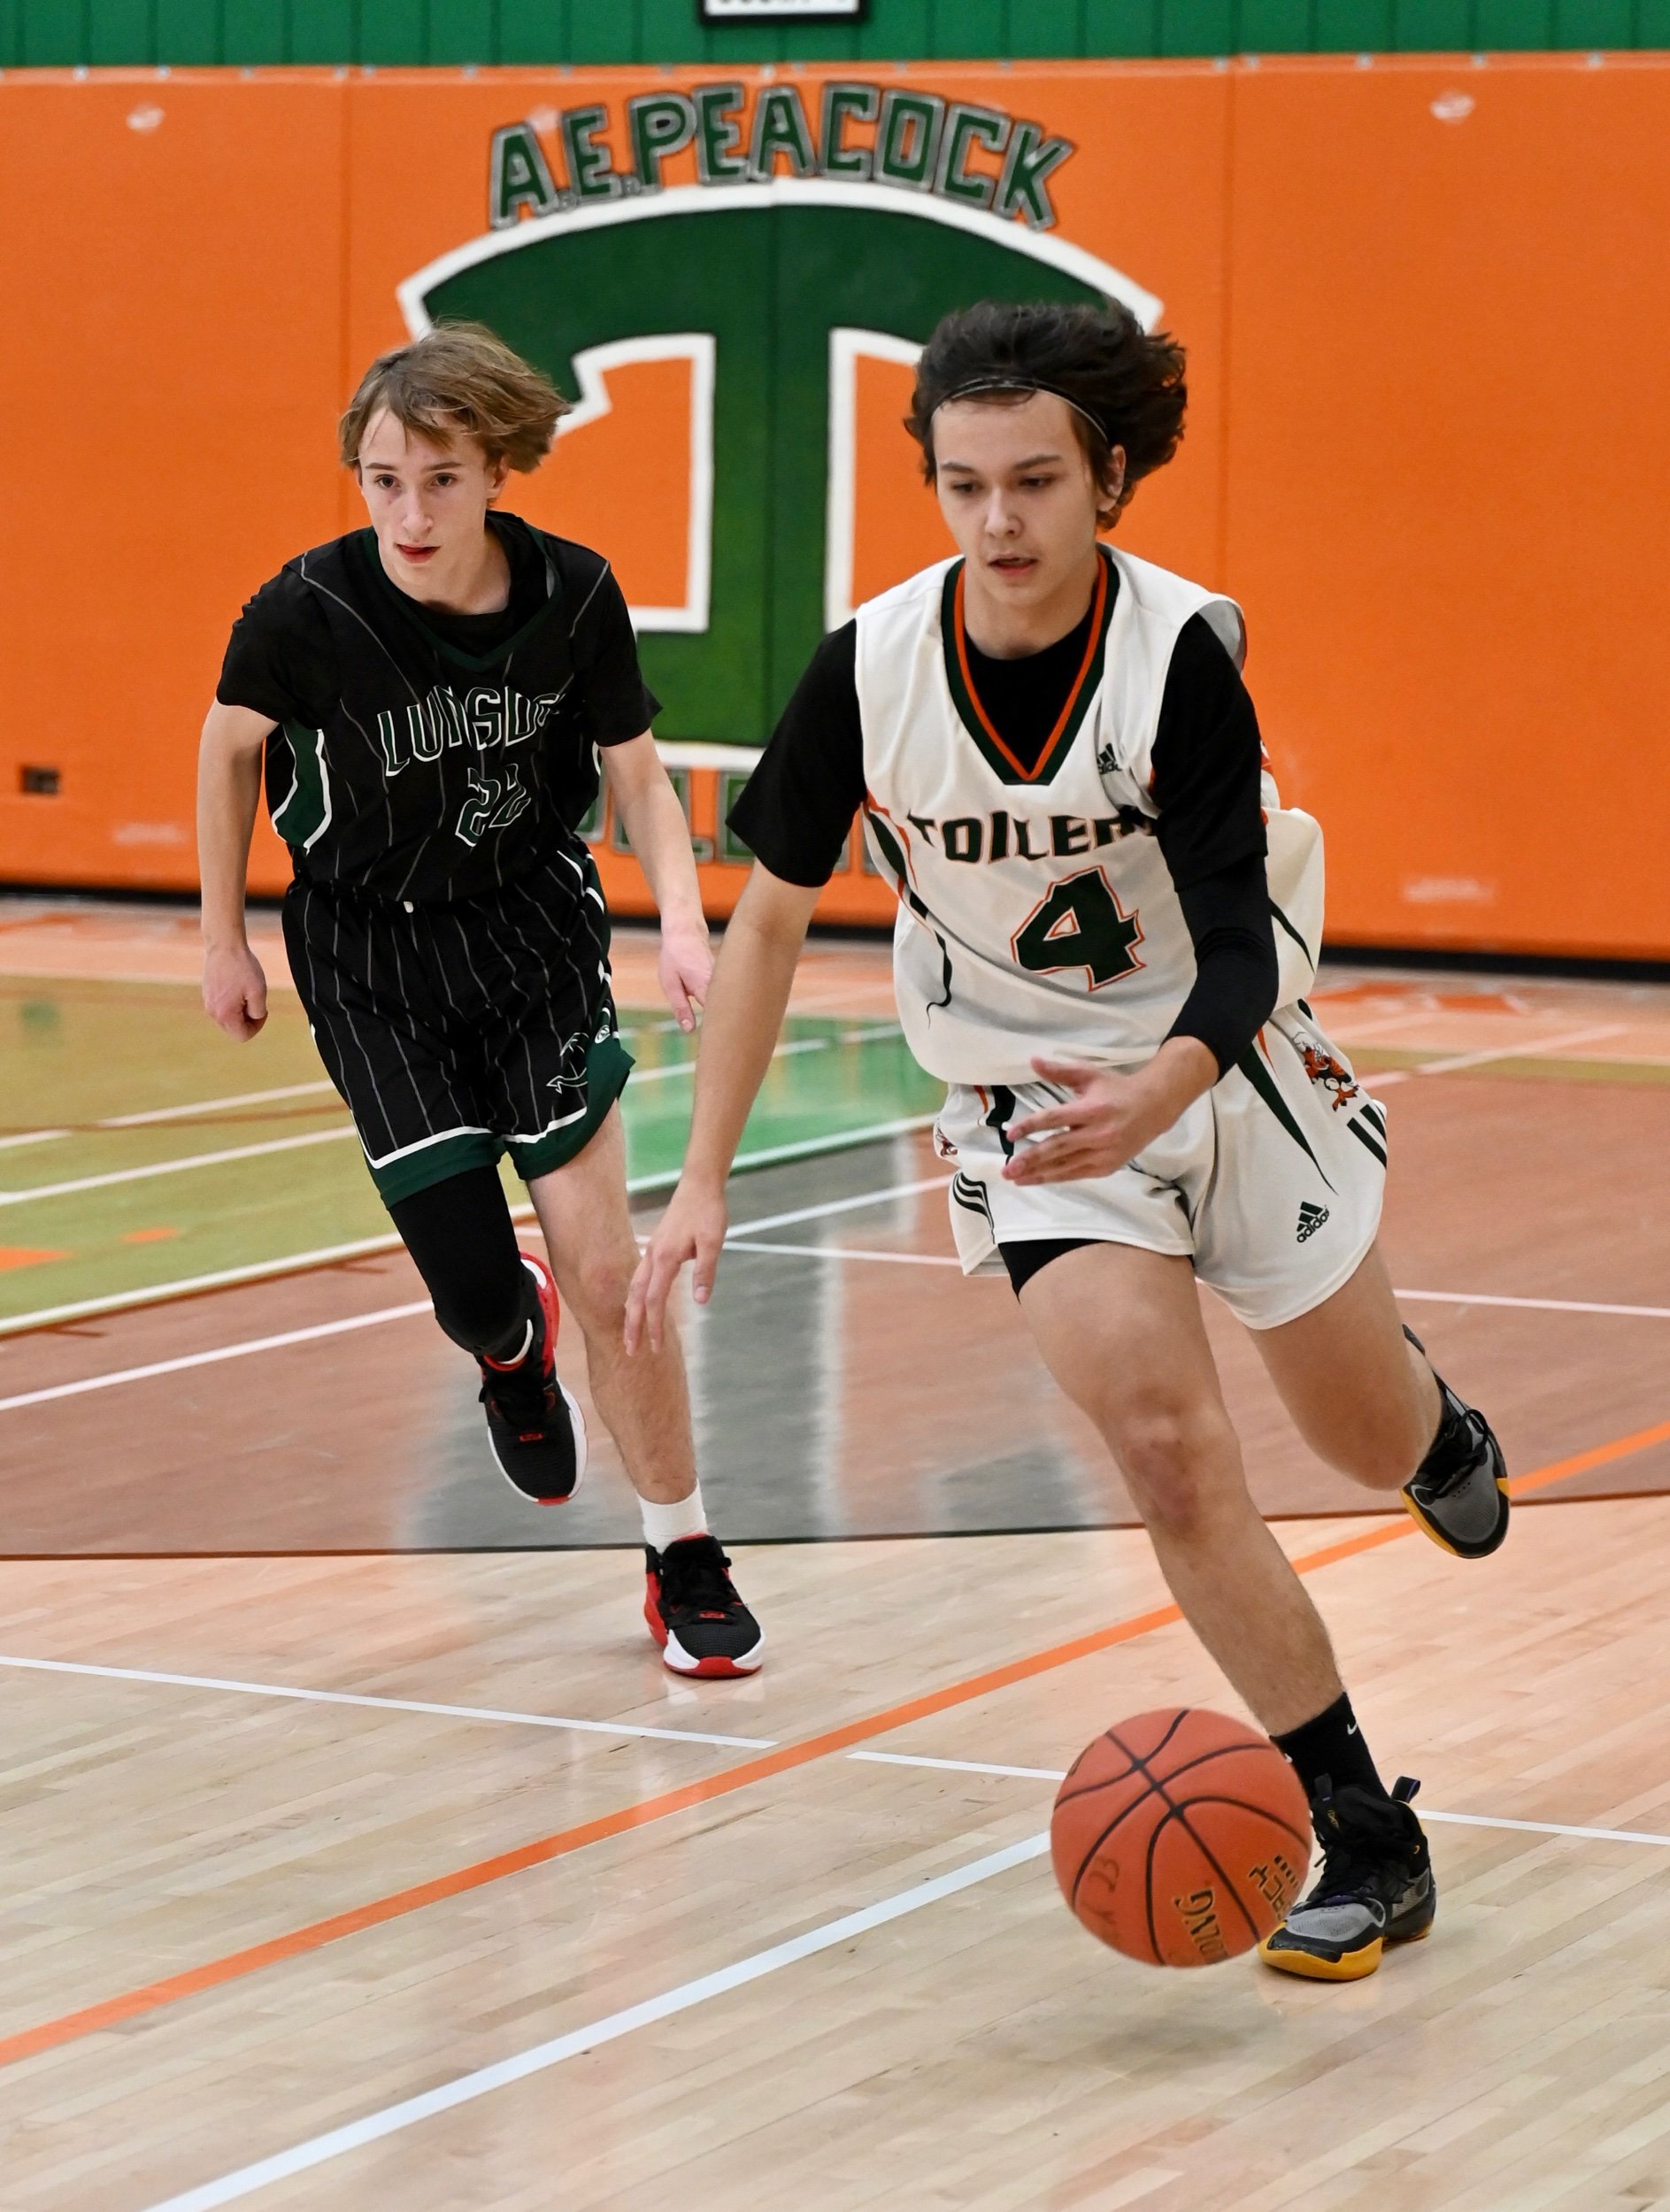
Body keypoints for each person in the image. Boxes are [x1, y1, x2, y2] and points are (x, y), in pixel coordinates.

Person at [627, 298, 1508, 1970]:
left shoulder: (1177, 656)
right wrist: (708, 1173)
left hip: (1217, 1061)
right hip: (1029, 1108)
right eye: (964, 485)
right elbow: (763, 927)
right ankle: (1367, 1833)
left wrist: (1169, 1087)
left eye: (1034, 482)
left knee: (1355, 1433)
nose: (999, 522)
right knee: (1172, 1453)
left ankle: (1434, 1434)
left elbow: (1242, 943)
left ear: (1109, 477)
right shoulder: (872, 666)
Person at [197, 321, 762, 1679]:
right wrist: (221, 938)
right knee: (473, 1291)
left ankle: (683, 1550)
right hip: (368, 959)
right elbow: (226, 753)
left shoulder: (573, 598)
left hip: (531, 942)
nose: (407, 510)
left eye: (439, 479)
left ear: (499, 468)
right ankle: (509, 1345)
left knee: (611, 1265)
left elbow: (637, 776)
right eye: (383, 479)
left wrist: (684, 921)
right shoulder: (303, 613)